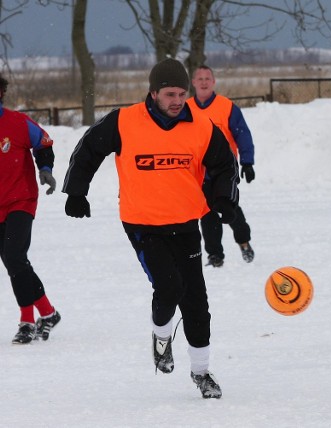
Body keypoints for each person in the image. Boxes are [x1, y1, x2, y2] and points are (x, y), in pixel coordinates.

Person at [62, 58, 239, 399]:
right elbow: (88, 149)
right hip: (143, 224)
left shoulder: (201, 125)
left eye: (182, 94)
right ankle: (161, 337)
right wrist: (76, 192)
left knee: (196, 303)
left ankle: (201, 373)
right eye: (170, 93)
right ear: (153, 92)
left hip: (186, 222)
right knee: (169, 287)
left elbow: (224, 165)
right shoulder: (125, 121)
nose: (177, 100)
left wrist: (224, 201)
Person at [0, 73, 61, 345]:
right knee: (15, 262)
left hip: (20, 200)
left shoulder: (18, 122)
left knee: (13, 256)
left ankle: (27, 320)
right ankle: (47, 312)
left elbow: (44, 142)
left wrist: (45, 169)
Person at [187, 65, 255, 268]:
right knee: (207, 213)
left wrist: (247, 162)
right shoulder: (186, 108)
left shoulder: (227, 107)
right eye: (200, 79)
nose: (204, 82)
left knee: (229, 207)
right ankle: (215, 255)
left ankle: (244, 242)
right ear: (193, 83)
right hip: (200, 171)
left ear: (213, 81)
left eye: (208, 78)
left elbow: (242, 134)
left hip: (225, 170)